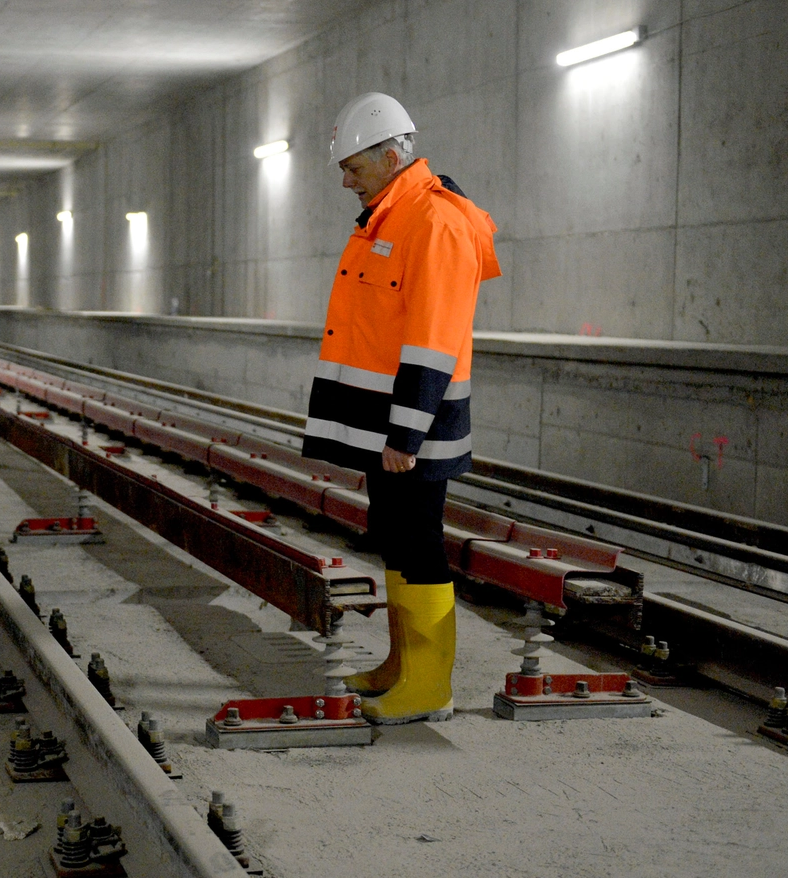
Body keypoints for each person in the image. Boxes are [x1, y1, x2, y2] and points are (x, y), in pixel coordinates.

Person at [302, 92, 500, 724]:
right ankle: (401, 665)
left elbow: (434, 338)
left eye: (353, 168)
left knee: (419, 543)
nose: (345, 181)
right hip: (384, 424)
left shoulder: (435, 222)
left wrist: (406, 433)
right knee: (393, 538)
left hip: (412, 428)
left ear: (390, 158)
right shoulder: (390, 216)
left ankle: (430, 686)